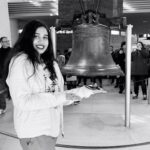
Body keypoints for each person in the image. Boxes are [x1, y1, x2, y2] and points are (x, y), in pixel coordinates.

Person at [5, 20, 80, 150]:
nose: (42, 41)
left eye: (45, 37)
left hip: (51, 128)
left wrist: (72, 96)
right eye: (36, 36)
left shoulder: (50, 62)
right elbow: (22, 101)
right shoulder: (21, 63)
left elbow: (56, 93)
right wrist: (61, 97)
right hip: (34, 131)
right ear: (27, 38)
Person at [0, 36, 11, 115]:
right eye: (5, 41)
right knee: (0, 92)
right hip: (1, 75)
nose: (7, 42)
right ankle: (2, 108)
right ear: (1, 43)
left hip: (11, 74)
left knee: (13, 91)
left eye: (7, 41)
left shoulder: (13, 51)